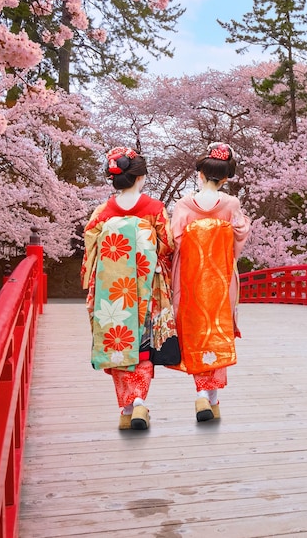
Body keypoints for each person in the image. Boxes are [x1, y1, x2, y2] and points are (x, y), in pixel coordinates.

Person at [81, 147, 174, 431]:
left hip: (112, 291)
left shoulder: (102, 213)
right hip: (146, 289)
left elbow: (90, 251)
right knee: (143, 346)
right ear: (140, 178)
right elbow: (168, 246)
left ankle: (126, 407)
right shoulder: (155, 209)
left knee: (118, 344)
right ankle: (139, 403)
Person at [170, 142, 252, 422]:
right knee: (218, 329)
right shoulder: (231, 204)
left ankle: (205, 395)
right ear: (226, 177)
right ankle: (209, 396)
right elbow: (239, 236)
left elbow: (175, 241)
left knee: (196, 330)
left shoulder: (183, 204)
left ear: (200, 174)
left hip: (190, 278)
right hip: (220, 277)